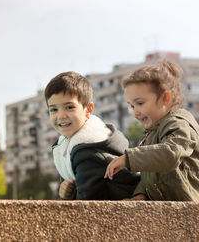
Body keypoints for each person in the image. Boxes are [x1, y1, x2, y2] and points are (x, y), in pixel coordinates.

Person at [105, 59, 199, 201]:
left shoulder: (180, 124)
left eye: (140, 103)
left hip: (189, 210)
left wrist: (129, 158)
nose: (135, 112)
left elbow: (170, 154)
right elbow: (149, 175)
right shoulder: (153, 131)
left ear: (165, 98)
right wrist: (140, 195)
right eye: (131, 106)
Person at [45, 71, 139, 200]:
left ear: (88, 109)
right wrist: (63, 191)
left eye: (69, 107)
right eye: (53, 109)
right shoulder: (69, 144)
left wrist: (67, 197)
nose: (61, 116)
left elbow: (88, 204)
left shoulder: (89, 150)